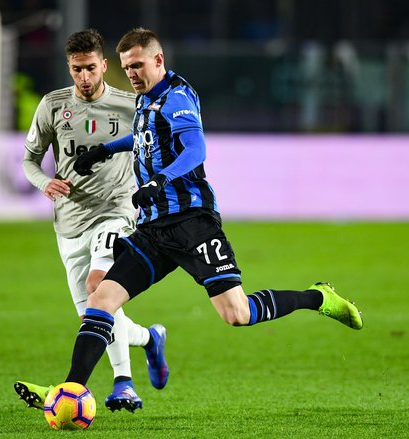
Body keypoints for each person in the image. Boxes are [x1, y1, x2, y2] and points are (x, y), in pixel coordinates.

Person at [24, 27, 363, 402]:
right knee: (100, 299)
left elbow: (196, 148)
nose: (132, 73)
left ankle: (317, 297)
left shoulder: (177, 96)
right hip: (152, 229)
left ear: (158, 60)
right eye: (127, 67)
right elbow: (142, 137)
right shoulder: (144, 98)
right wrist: (106, 150)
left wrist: (161, 179)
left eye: (138, 65)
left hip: (191, 222)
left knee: (237, 313)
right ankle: (72, 388)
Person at [14, 29, 169, 414]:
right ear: (69, 67)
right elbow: (29, 161)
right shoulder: (52, 106)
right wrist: (45, 182)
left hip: (116, 211)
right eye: (76, 70)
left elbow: (154, 150)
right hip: (68, 222)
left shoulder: (130, 105)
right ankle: (150, 338)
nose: (83, 77)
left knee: (98, 284)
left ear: (104, 65)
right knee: (93, 315)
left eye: (89, 68)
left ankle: (124, 382)